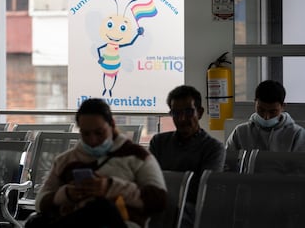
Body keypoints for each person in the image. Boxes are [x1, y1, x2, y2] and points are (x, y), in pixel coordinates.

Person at [33, 98, 167, 228]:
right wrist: (67, 194)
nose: (93, 140)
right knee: (36, 221)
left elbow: (159, 200)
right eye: (86, 134)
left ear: (112, 125)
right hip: (74, 219)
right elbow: (40, 202)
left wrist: (110, 187)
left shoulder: (137, 156)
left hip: (121, 221)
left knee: (101, 207)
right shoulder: (65, 160)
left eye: (99, 133)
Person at [149, 85, 225, 228]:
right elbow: (148, 179)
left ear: (200, 112)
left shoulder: (214, 148)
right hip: (158, 207)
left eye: (188, 112)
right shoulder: (158, 142)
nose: (182, 118)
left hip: (191, 211)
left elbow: (204, 190)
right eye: (176, 113)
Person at [226, 79, 305, 151]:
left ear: (283, 107)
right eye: (261, 110)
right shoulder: (240, 132)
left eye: (273, 112)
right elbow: (227, 161)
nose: (266, 117)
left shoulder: (296, 134)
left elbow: (300, 164)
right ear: (255, 103)